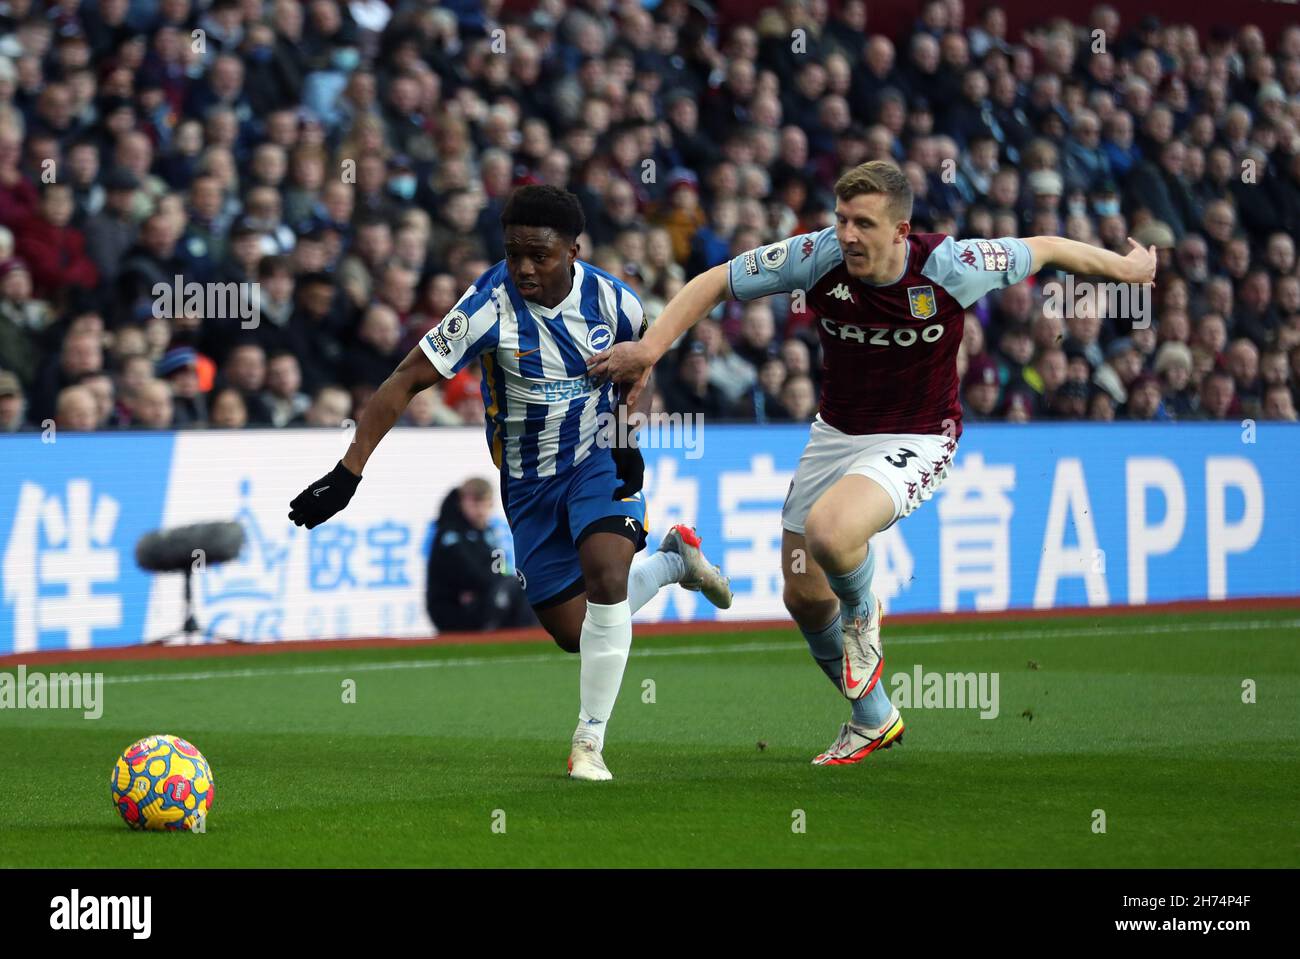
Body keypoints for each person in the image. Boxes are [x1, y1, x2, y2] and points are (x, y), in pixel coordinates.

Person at [589, 160, 1157, 765]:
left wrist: (1127, 268)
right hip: (836, 433)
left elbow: (1042, 248)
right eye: (842, 220)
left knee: (832, 535)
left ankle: (865, 618)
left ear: (901, 231)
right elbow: (716, 282)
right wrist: (650, 349)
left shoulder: (953, 267)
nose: (848, 234)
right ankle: (872, 717)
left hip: (918, 435)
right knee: (804, 595)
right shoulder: (816, 255)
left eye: (863, 223)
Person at [288, 185, 733, 781]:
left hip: (595, 459)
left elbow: (638, 365)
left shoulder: (616, 304)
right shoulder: (484, 307)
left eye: (539, 255)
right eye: (514, 252)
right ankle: (674, 562)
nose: (523, 267)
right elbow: (403, 381)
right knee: (576, 633)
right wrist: (348, 473)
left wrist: (626, 435)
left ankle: (588, 743)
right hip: (525, 483)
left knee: (606, 575)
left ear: (573, 250)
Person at [425, 478, 534, 632]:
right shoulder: (450, 536)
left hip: (481, 599)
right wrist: (496, 581)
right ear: (462, 502)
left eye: (486, 504)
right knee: (513, 587)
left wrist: (498, 580)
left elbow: (500, 569)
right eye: (475, 503)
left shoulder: (488, 533)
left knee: (519, 585)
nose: (481, 510)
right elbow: (473, 574)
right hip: (455, 609)